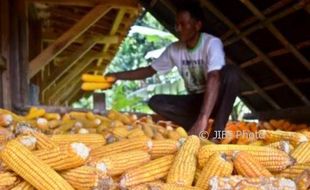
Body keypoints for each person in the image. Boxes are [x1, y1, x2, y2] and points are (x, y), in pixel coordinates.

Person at [107, 1, 240, 140]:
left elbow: (214, 76)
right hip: (194, 103)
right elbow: (149, 71)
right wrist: (117, 76)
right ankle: (195, 126)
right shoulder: (174, 50)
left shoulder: (211, 43)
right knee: (156, 102)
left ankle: (216, 134)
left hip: (214, 98)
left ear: (197, 25)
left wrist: (203, 117)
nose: (177, 28)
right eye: (177, 24)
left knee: (232, 73)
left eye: (183, 24)